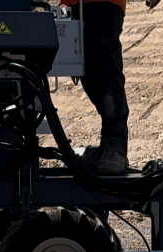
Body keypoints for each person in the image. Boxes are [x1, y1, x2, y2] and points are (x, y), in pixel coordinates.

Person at [62, 0, 131, 175]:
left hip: (105, 3)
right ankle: (107, 146)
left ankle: (116, 147)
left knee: (106, 72)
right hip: (74, 4)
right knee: (88, 75)